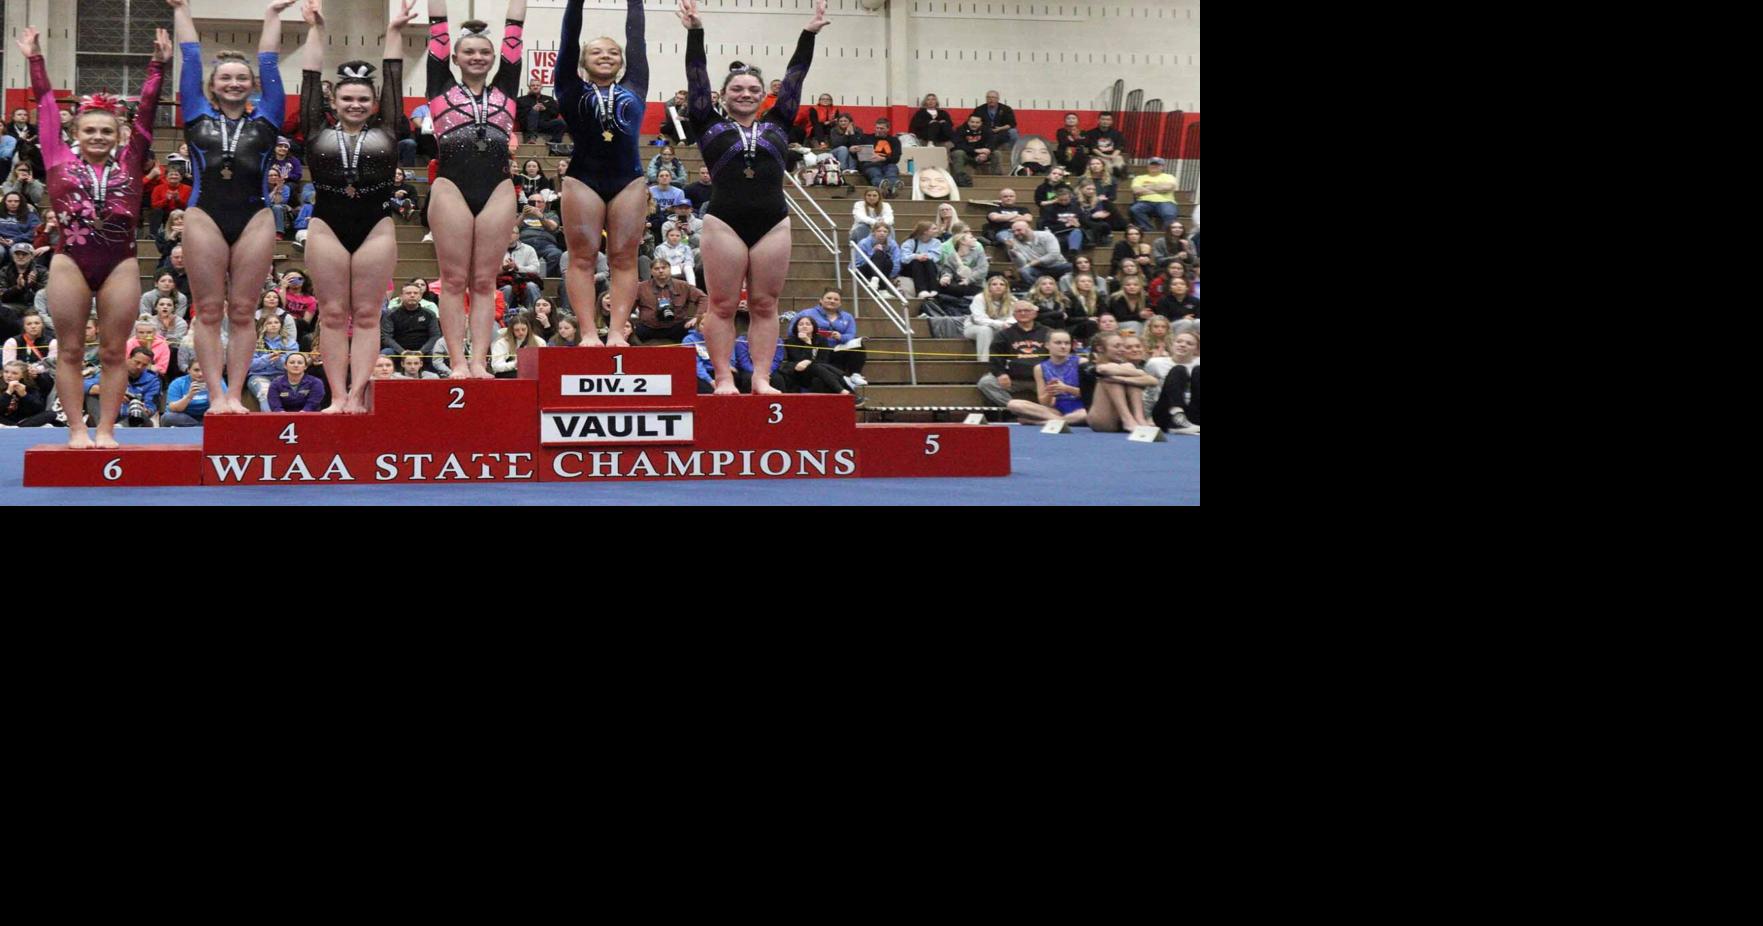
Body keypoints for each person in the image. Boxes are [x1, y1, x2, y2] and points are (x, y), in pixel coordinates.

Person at [20, 23, 170, 448]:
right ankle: (76, 430)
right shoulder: (56, 158)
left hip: (119, 261)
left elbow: (146, 108)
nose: (99, 136)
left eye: (107, 131)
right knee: (68, 350)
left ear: (119, 135)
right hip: (71, 259)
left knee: (111, 350)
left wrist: (158, 64)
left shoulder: (132, 159)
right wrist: (34, 59)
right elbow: (47, 106)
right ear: (75, 134)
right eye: (90, 130)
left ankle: (106, 429)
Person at [681, 0, 829, 393]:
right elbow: (695, 76)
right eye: (737, 89)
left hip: (773, 223)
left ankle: (762, 379)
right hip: (724, 222)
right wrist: (695, 32)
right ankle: (725, 378)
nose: (745, 94)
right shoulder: (707, 123)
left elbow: (796, 76)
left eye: (753, 90)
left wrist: (808, 34)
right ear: (723, 95)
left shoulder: (779, 123)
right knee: (723, 306)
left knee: (765, 305)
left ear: (765, 95)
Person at [169, 0, 295, 418]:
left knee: (243, 310)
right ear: (213, 84)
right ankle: (216, 395)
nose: (235, 83)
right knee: (207, 310)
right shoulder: (195, 113)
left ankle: (235, 395)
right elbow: (189, 58)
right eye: (226, 77)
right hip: (204, 214)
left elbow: (271, 61)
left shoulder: (268, 117)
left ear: (253, 84)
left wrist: (273, 16)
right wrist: (183, 12)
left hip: (255, 216)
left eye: (242, 78)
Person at [300, 0, 417, 412]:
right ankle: (335, 395)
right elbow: (310, 77)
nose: (354, 104)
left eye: (362, 99)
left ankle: (359, 393)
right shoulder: (316, 128)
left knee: (368, 314)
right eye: (347, 98)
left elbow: (393, 75)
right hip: (327, 225)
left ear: (374, 102)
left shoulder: (388, 128)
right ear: (334, 101)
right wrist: (315, 28)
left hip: (376, 226)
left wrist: (395, 31)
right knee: (332, 314)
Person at [424, 0, 528, 381]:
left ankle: (480, 363)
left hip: (497, 189)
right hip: (451, 187)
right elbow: (437, 28)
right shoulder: (440, 85)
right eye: (469, 51)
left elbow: (514, 36)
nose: (478, 57)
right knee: (453, 281)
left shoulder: (506, 89)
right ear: (455, 56)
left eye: (485, 51)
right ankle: (456, 363)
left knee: (485, 282)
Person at [556, 0, 649, 347]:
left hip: (629, 180)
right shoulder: (569, 87)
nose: (606, 55)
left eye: (613, 52)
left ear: (623, 61)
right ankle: (588, 332)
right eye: (596, 51)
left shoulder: (635, 86)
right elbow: (568, 38)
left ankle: (616, 332)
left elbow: (636, 37)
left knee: (624, 258)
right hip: (583, 179)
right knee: (581, 257)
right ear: (582, 60)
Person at [1004, 329, 1087, 428]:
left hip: (1082, 408)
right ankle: (1062, 421)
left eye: (1067, 343)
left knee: (1085, 413)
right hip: (1056, 411)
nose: (1063, 346)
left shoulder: (1082, 363)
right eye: (1058, 343)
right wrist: (1050, 392)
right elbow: (1044, 402)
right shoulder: (1040, 368)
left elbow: (1091, 394)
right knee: (1013, 404)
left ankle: (1041, 422)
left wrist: (1066, 388)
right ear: (1047, 345)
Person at [976, 302, 1051, 407]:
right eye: (1019, 311)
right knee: (986, 382)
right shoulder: (1004, 334)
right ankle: (1017, 408)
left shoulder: (1048, 332)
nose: (1023, 313)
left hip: (1042, 379)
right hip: (1013, 379)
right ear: (1014, 315)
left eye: (1027, 311)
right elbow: (995, 356)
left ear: (1035, 314)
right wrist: (1000, 374)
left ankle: (1051, 411)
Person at [1085, 332, 1157, 433]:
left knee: (1126, 370)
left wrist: (1122, 379)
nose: (1122, 350)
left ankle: (1139, 418)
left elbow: (1153, 381)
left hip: (1124, 420)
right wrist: (1139, 373)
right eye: (1117, 346)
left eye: (1123, 346)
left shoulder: (1126, 366)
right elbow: (1103, 370)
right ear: (1100, 349)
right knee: (1110, 376)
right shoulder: (1088, 367)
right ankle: (1127, 418)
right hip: (1102, 418)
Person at [794, 288, 865, 387]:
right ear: (821, 300)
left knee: (858, 343)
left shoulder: (847, 317)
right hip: (816, 349)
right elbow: (792, 330)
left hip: (837, 349)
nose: (832, 301)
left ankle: (855, 374)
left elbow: (850, 334)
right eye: (829, 298)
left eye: (836, 299)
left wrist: (841, 336)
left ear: (840, 303)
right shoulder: (806, 313)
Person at [631, 260, 703, 343]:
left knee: (692, 334)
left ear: (670, 269)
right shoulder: (641, 287)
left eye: (663, 268)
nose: (661, 271)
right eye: (656, 268)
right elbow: (629, 306)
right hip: (648, 327)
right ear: (651, 271)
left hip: (677, 327)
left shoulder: (683, 285)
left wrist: (697, 317)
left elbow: (703, 298)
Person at [780, 314, 853, 396]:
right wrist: (807, 342)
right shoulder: (791, 341)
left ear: (813, 327)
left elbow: (823, 360)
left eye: (808, 324)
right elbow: (800, 361)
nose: (804, 326)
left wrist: (809, 361)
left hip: (818, 371)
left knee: (819, 379)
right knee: (817, 367)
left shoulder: (821, 339)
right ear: (796, 327)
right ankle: (846, 390)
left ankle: (839, 397)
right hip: (799, 373)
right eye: (801, 324)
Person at [381, 282, 443, 361]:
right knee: (386, 353)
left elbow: (435, 336)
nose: (412, 295)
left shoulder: (430, 314)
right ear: (401, 296)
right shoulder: (390, 314)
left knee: (436, 354)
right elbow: (386, 337)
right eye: (408, 293)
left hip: (424, 351)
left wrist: (422, 351)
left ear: (420, 296)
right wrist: (402, 352)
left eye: (416, 293)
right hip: (398, 351)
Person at [246, 314, 297, 408]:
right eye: (269, 323)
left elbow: (293, 366)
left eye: (276, 322)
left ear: (281, 325)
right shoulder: (253, 342)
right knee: (265, 394)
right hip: (259, 376)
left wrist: (278, 360)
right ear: (262, 326)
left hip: (283, 375)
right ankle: (269, 422)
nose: (273, 325)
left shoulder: (290, 343)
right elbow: (249, 365)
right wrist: (267, 359)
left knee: (291, 396)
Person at [1003, 219, 1071, 285]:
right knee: (1023, 271)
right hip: (1038, 269)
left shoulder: (1046, 236)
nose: (1016, 233)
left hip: (1058, 265)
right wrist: (1011, 250)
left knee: (1073, 267)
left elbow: (1054, 254)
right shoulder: (1013, 242)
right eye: (1013, 231)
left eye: (1019, 230)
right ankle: (1038, 289)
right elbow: (1021, 264)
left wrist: (1035, 262)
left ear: (1029, 228)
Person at [964, 274, 1013, 362]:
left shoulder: (1012, 299)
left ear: (1006, 287)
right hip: (974, 327)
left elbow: (1014, 317)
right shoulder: (979, 298)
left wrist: (1009, 323)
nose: (998, 286)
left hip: (1001, 329)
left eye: (1002, 284)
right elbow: (979, 319)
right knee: (985, 330)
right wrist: (1001, 324)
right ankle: (984, 362)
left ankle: (1011, 362)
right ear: (989, 287)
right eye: (994, 284)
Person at [1130, 157, 1180, 230]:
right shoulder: (1139, 178)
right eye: (1152, 164)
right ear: (1148, 166)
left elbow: (1168, 187)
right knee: (1135, 210)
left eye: (1157, 165)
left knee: (1169, 214)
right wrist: (1159, 188)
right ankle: (1149, 230)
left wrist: (1146, 188)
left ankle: (1166, 234)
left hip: (1165, 201)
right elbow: (1136, 190)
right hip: (1145, 202)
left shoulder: (1169, 177)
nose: (1154, 166)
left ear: (1162, 167)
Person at [488, 312, 544, 377]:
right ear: (511, 330)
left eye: (524, 329)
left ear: (528, 328)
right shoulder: (501, 343)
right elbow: (496, 366)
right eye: (517, 330)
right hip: (509, 375)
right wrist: (515, 364)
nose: (521, 332)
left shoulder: (539, 341)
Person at [898, 221, 944, 298]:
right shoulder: (910, 242)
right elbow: (904, 258)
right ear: (925, 232)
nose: (937, 230)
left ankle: (934, 289)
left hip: (929, 266)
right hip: (911, 269)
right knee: (917, 262)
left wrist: (924, 256)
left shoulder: (937, 242)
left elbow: (936, 257)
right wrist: (916, 256)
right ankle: (921, 290)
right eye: (934, 229)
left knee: (928, 261)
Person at [0, 359, 52, 427]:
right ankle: (16, 427)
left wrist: (24, 395)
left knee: (50, 414)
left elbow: (38, 409)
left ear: (22, 375)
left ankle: (17, 427)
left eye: (14, 373)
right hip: (3, 420)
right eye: (6, 372)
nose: (9, 375)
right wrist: (8, 393)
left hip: (22, 420)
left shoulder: (28, 386)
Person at [850, 222, 901, 289]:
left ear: (888, 234)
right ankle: (879, 284)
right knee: (878, 253)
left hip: (883, 272)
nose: (882, 233)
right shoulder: (864, 243)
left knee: (888, 261)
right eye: (879, 231)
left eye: (885, 231)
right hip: (862, 269)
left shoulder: (892, 244)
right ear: (873, 232)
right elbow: (858, 263)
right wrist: (872, 252)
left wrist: (890, 276)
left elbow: (896, 262)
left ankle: (877, 281)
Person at [161, 358, 211, 426]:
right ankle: (200, 427)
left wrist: (213, 396)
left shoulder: (216, 382)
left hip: (207, 416)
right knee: (167, 418)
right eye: (196, 370)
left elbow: (222, 407)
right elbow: (173, 408)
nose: (200, 374)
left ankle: (198, 427)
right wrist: (189, 396)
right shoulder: (178, 383)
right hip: (185, 417)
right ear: (188, 370)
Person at [948, 114, 996, 186]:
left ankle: (996, 176)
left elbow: (992, 142)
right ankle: (959, 178)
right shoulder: (960, 129)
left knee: (997, 153)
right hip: (966, 155)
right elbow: (958, 145)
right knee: (958, 153)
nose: (974, 124)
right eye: (972, 122)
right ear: (968, 122)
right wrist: (975, 151)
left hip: (981, 155)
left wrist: (986, 152)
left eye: (977, 122)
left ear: (981, 123)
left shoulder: (986, 130)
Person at [860, 116, 902, 196]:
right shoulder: (866, 138)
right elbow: (858, 154)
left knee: (891, 171)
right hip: (871, 164)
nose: (878, 130)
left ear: (888, 129)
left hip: (888, 163)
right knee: (875, 173)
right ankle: (883, 185)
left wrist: (883, 158)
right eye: (877, 128)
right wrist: (852, 149)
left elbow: (896, 158)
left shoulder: (894, 140)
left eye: (882, 128)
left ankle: (893, 185)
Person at [518, 78, 567, 143]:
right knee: (534, 111)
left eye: (537, 85)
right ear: (530, 87)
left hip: (543, 124)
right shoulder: (522, 100)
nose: (535, 87)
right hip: (528, 125)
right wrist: (532, 110)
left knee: (561, 123)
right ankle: (532, 137)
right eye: (533, 85)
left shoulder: (549, 99)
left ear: (541, 87)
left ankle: (555, 143)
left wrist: (545, 109)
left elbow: (555, 113)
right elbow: (520, 115)